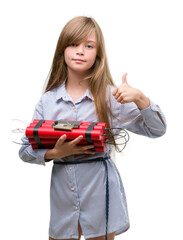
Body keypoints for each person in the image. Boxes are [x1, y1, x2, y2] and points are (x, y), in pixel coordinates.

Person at [19, 16, 166, 240]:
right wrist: (55, 153)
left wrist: (139, 98)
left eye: (89, 46)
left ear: (98, 54)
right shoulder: (47, 101)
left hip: (100, 193)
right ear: (62, 49)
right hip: (62, 196)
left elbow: (157, 130)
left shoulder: (112, 98)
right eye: (73, 44)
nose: (80, 51)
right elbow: (24, 151)